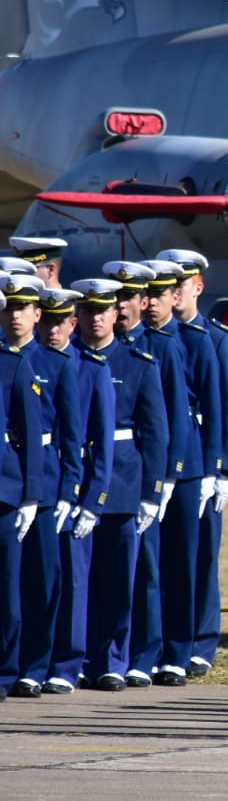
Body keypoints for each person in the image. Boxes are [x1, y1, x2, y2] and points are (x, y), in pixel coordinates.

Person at [70, 279, 167, 692]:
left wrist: (152, 492)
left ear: (116, 314)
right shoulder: (67, 359)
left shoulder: (137, 362)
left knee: (119, 579)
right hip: (76, 477)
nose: (96, 319)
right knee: (78, 580)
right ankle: (76, 658)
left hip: (123, 480)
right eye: (88, 312)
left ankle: (113, 658)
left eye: (103, 311)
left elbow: (155, 432)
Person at [157, 248, 228, 679]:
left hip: (204, 461)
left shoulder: (217, 338)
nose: (175, 292)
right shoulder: (159, 336)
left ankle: (201, 641)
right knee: (169, 554)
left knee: (203, 553)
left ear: (197, 287)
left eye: (182, 284)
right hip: (173, 459)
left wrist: (223, 467)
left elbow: (227, 407)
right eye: (169, 284)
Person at [139, 258, 223, 687]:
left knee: (186, 562)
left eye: (161, 294)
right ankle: (149, 649)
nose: (153, 302)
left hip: (188, 464)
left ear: (177, 295)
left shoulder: (197, 340)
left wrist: (218, 468)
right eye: (148, 294)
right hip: (145, 463)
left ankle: (182, 648)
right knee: (150, 565)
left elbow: (216, 406)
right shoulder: (138, 341)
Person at [104, 259, 188, 688]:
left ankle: (145, 652)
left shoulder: (161, 348)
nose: (121, 306)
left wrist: (165, 478)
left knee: (148, 567)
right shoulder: (100, 347)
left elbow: (170, 420)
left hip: (141, 471)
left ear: (142, 301)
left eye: (129, 298)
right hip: (106, 472)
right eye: (116, 298)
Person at [6, 273, 83, 699]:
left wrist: (70, 490)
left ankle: (37, 665)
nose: (15, 316)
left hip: (47, 486)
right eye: (9, 308)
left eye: (23, 308)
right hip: (7, 481)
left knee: (44, 579)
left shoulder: (57, 363)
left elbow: (72, 435)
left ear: (38, 315)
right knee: (9, 582)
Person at [40, 287, 115, 695]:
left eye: (60, 322)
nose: (53, 330)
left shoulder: (91, 369)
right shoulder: (28, 363)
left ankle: (67, 665)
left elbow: (101, 443)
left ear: (73, 323)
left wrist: (92, 500)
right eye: (47, 321)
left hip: (75, 487)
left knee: (73, 583)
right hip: (36, 486)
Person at [0, 281, 43, 702]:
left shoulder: (12, 365)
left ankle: (5, 671)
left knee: (6, 588)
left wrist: (31, 494)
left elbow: (30, 434)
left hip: (4, 492)